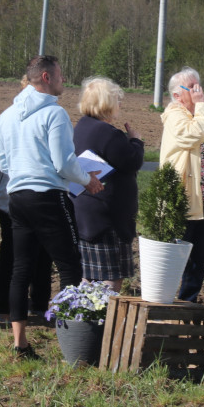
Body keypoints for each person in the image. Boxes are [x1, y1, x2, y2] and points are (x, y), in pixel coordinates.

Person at [0, 54, 103, 358]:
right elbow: (64, 163)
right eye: (60, 76)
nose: (63, 81)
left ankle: (21, 344)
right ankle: (73, 344)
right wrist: (87, 181)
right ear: (45, 78)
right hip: (47, 195)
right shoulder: (54, 114)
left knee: (21, 268)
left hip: (17, 195)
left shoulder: (7, 116)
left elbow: (3, 161)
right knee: (70, 265)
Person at [0, 76, 53, 325]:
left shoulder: (49, 115)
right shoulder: (10, 116)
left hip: (42, 193)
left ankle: (38, 304)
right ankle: (4, 306)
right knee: (12, 252)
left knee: (44, 251)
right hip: (10, 196)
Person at [159, 67, 204, 304]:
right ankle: (163, 303)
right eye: (193, 87)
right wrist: (203, 107)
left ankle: (187, 303)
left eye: (200, 86)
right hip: (185, 198)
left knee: (199, 258)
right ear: (178, 95)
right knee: (176, 256)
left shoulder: (199, 115)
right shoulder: (175, 114)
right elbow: (193, 136)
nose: (199, 91)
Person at [72, 76, 145, 293]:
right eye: (117, 100)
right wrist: (136, 140)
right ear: (106, 103)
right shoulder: (107, 133)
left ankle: (84, 316)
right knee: (110, 277)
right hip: (107, 218)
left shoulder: (82, 127)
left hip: (88, 211)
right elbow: (133, 161)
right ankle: (103, 320)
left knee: (90, 274)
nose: (120, 105)